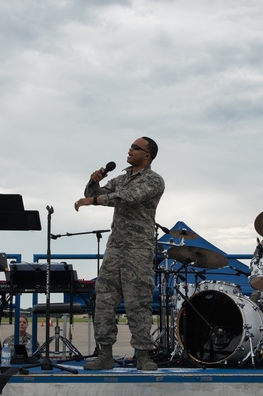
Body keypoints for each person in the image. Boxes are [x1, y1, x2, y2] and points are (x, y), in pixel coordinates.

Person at [74, 137, 165, 371]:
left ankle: (143, 355)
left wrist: (93, 200)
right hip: (115, 248)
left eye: (136, 147)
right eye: (131, 146)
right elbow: (99, 192)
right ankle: (104, 354)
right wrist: (93, 183)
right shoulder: (122, 178)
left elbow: (128, 198)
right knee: (104, 299)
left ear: (147, 155)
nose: (130, 149)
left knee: (138, 302)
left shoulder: (154, 180)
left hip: (138, 249)